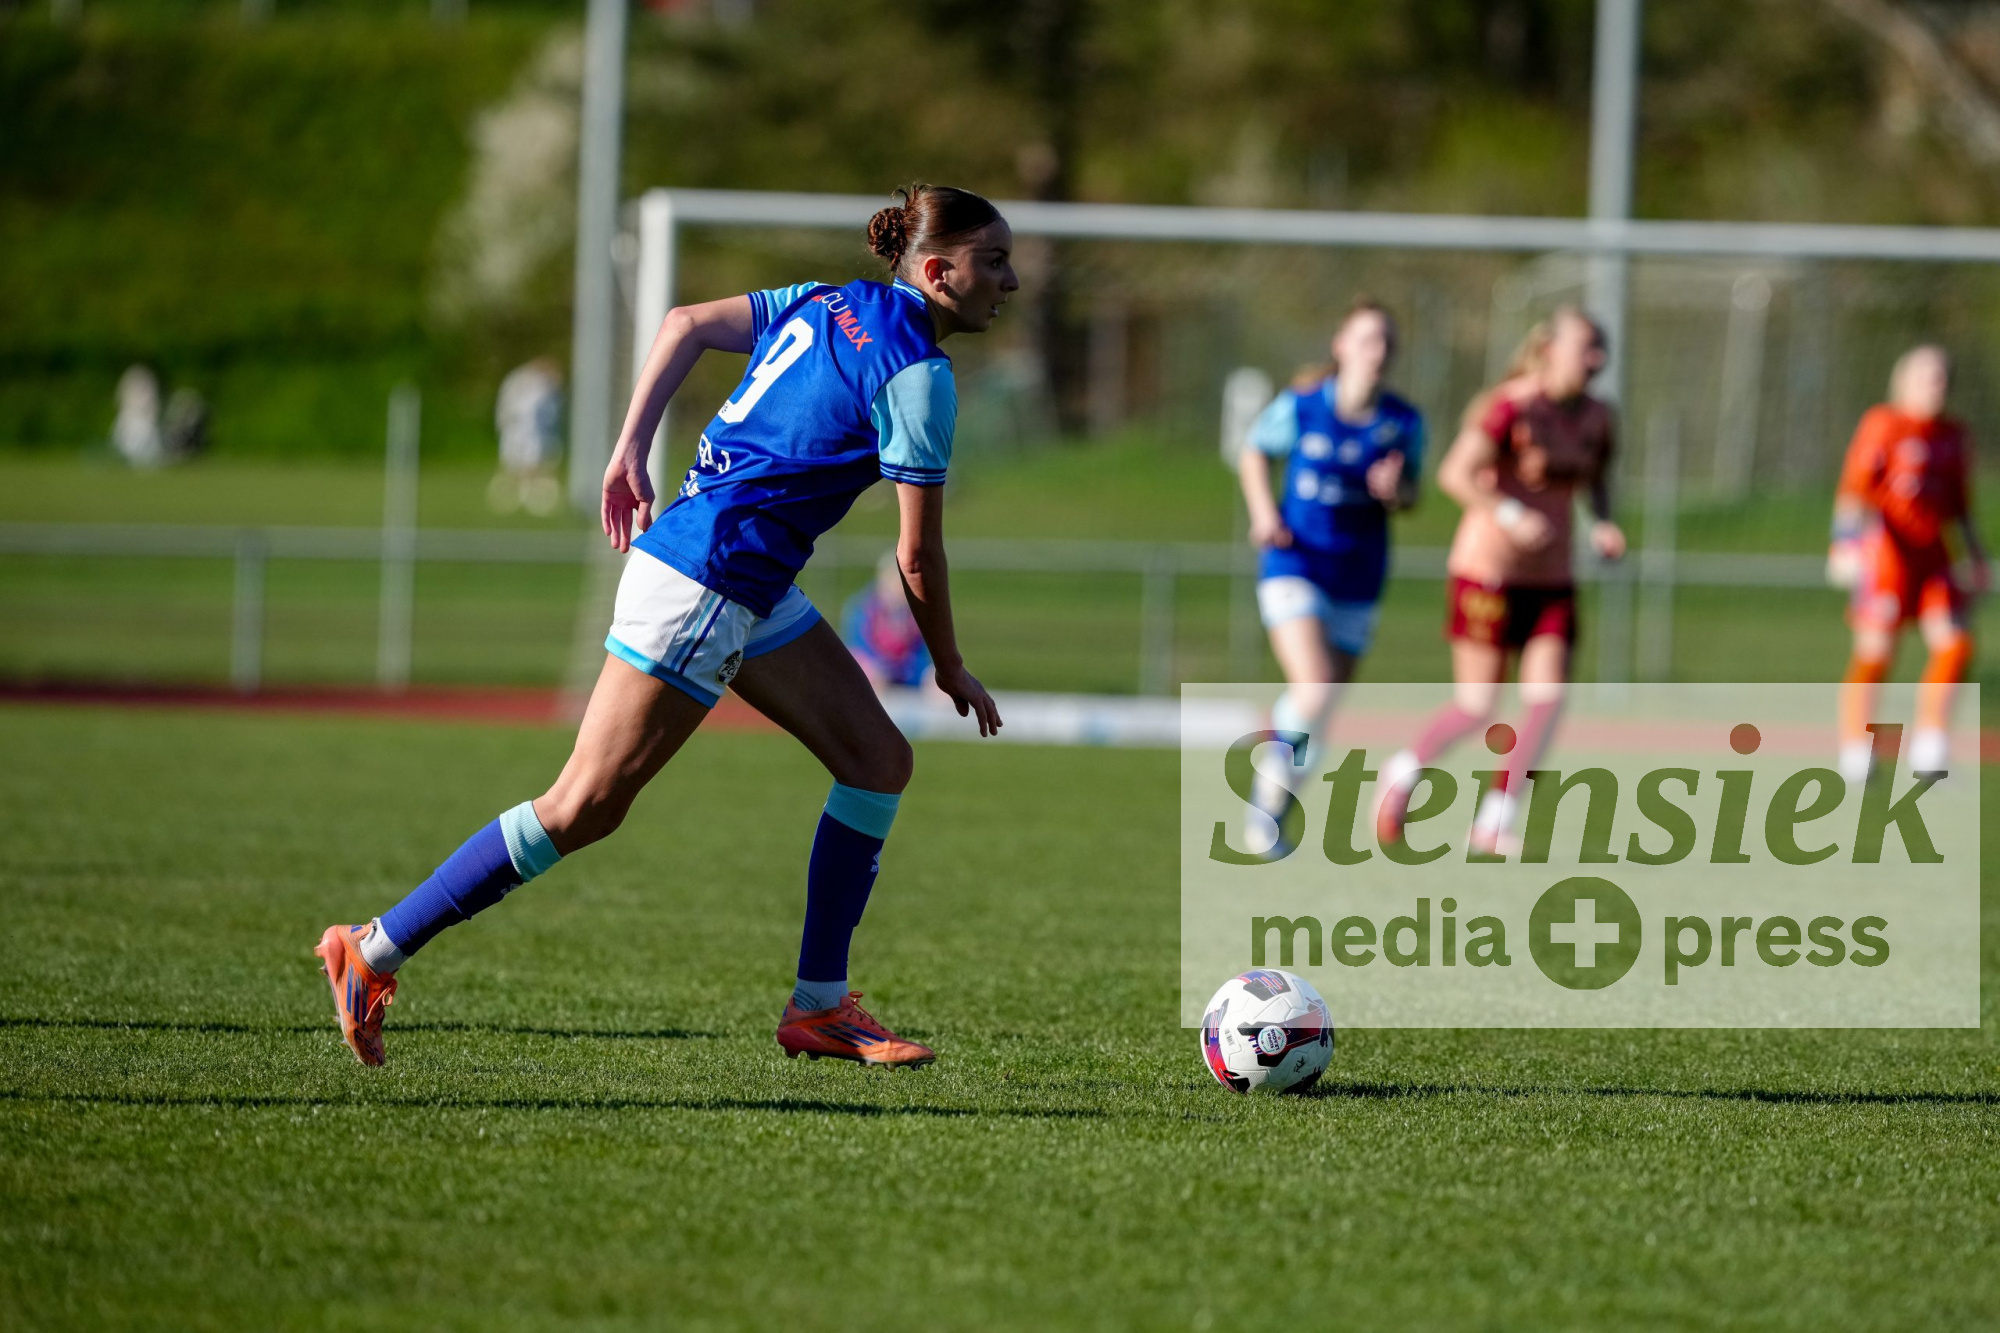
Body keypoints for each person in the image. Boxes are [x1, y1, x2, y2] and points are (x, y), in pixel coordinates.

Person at [315, 184, 1015, 1069]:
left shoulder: (826, 298)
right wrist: (948, 664)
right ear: (939, 270)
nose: (1011, 281)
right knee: (583, 805)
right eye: (995, 261)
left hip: (740, 576)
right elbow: (916, 558)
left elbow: (684, 323)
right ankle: (372, 947)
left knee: (878, 760)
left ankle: (820, 1007)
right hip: (708, 583)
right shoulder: (919, 375)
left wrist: (628, 448)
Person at [1376, 305, 1625, 855]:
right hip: (1488, 576)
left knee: (1548, 700)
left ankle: (1494, 820)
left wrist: (1604, 523)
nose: (1596, 359)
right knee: (1478, 708)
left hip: (1553, 580)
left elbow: (1597, 480)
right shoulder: (1512, 406)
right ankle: (1401, 771)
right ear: (1549, 349)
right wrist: (1511, 515)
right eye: (1585, 347)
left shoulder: (1598, 417)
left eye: (1600, 349)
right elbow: (1455, 474)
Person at [1236, 299, 1423, 853]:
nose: (1377, 351)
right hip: (1296, 561)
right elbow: (1254, 452)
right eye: (1366, 339)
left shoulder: (1403, 422)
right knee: (1315, 687)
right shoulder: (1302, 406)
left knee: (1322, 707)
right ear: (1341, 345)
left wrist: (1397, 491)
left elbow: (1412, 493)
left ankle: (1273, 809)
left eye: (1386, 341)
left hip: (1359, 573)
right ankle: (1266, 796)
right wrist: (1264, 513)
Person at [1828, 344, 1986, 780]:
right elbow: (1855, 489)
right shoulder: (1884, 423)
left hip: (1934, 555)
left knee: (1956, 643)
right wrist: (1843, 543)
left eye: (1943, 377)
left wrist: (1976, 555)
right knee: (1876, 649)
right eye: (1926, 376)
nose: (1937, 385)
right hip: (1887, 552)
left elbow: (1960, 505)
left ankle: (1931, 744)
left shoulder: (1954, 434)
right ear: (1903, 381)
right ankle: (1856, 744)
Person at [844, 551, 935, 691]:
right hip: (874, 667)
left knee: (937, 679)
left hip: (908, 672)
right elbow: (859, 645)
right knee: (868, 674)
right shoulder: (864, 608)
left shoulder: (916, 612)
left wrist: (914, 670)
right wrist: (880, 667)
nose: (899, 588)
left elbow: (921, 653)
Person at [490, 357, 565, 516]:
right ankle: (511, 496)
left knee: (535, 465)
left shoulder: (539, 386)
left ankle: (532, 496)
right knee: (517, 465)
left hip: (531, 432)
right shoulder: (525, 383)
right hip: (520, 430)